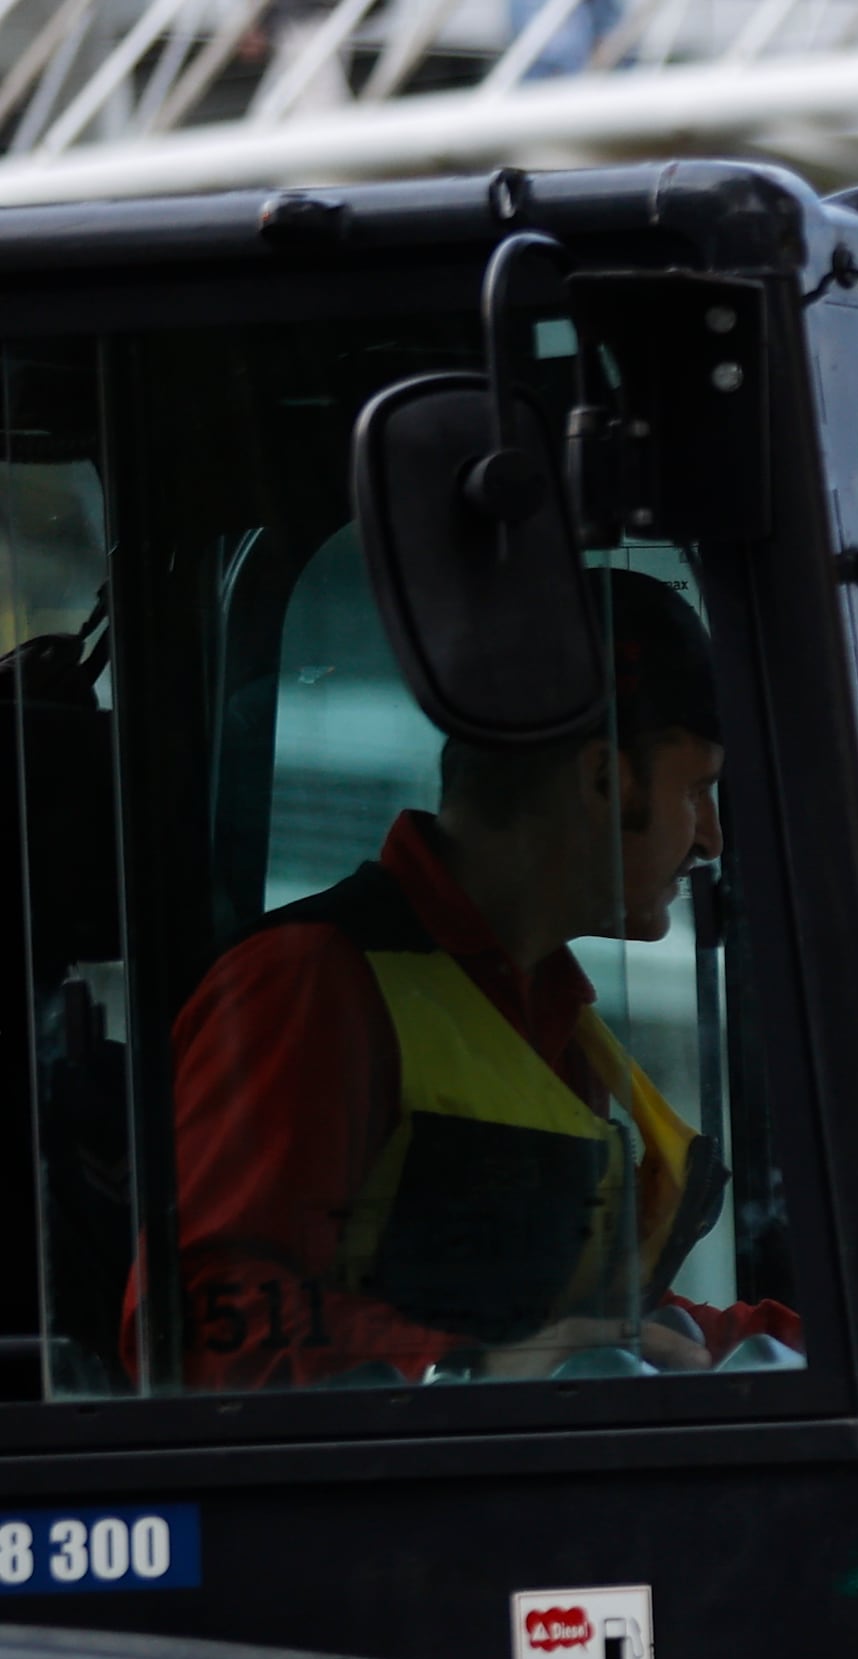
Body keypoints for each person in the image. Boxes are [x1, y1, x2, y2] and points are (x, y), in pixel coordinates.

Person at [163, 566, 782, 1387]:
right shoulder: (310, 984)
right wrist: (468, 1371)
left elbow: (609, 1329)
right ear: (603, 780)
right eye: (699, 788)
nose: (711, 839)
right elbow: (198, 1326)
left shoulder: (547, 1015)